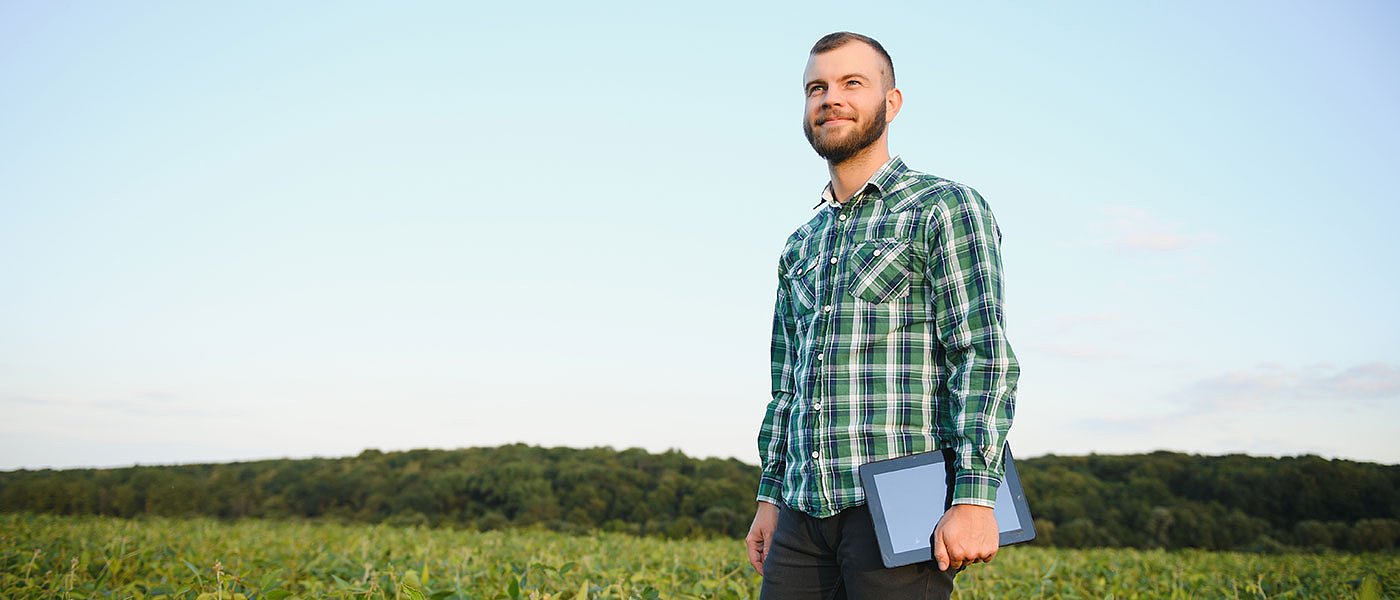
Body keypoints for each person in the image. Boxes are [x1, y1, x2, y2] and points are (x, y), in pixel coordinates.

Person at [745, 31, 1020, 599]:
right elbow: (786, 385)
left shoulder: (943, 207)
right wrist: (770, 496)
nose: (830, 98)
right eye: (816, 87)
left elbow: (981, 355)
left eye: (852, 83)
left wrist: (973, 497)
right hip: (802, 511)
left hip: (902, 507)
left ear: (891, 103)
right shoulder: (800, 244)